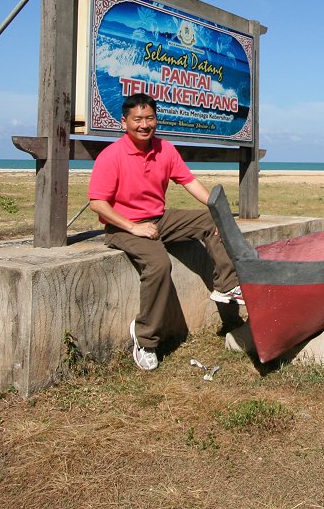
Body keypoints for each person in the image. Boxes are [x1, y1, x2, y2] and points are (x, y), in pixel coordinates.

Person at [88, 93, 244, 371]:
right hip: (121, 227)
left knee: (211, 222)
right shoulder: (111, 156)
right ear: (124, 122)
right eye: (137, 119)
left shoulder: (165, 150)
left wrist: (219, 213)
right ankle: (146, 339)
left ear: (156, 120)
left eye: (149, 118)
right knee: (159, 264)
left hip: (158, 219)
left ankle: (226, 286)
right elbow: (97, 203)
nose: (144, 125)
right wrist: (134, 226)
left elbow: (190, 182)